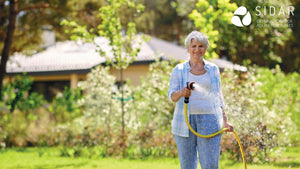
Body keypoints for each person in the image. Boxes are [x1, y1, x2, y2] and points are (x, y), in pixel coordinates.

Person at [168, 31, 234, 169]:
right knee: (187, 166)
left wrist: (225, 120)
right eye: (194, 46)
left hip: (209, 119)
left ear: (206, 48)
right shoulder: (179, 70)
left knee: (210, 164)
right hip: (184, 121)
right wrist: (182, 92)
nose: (197, 49)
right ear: (188, 48)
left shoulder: (212, 69)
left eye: (201, 46)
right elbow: (172, 97)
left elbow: (218, 96)